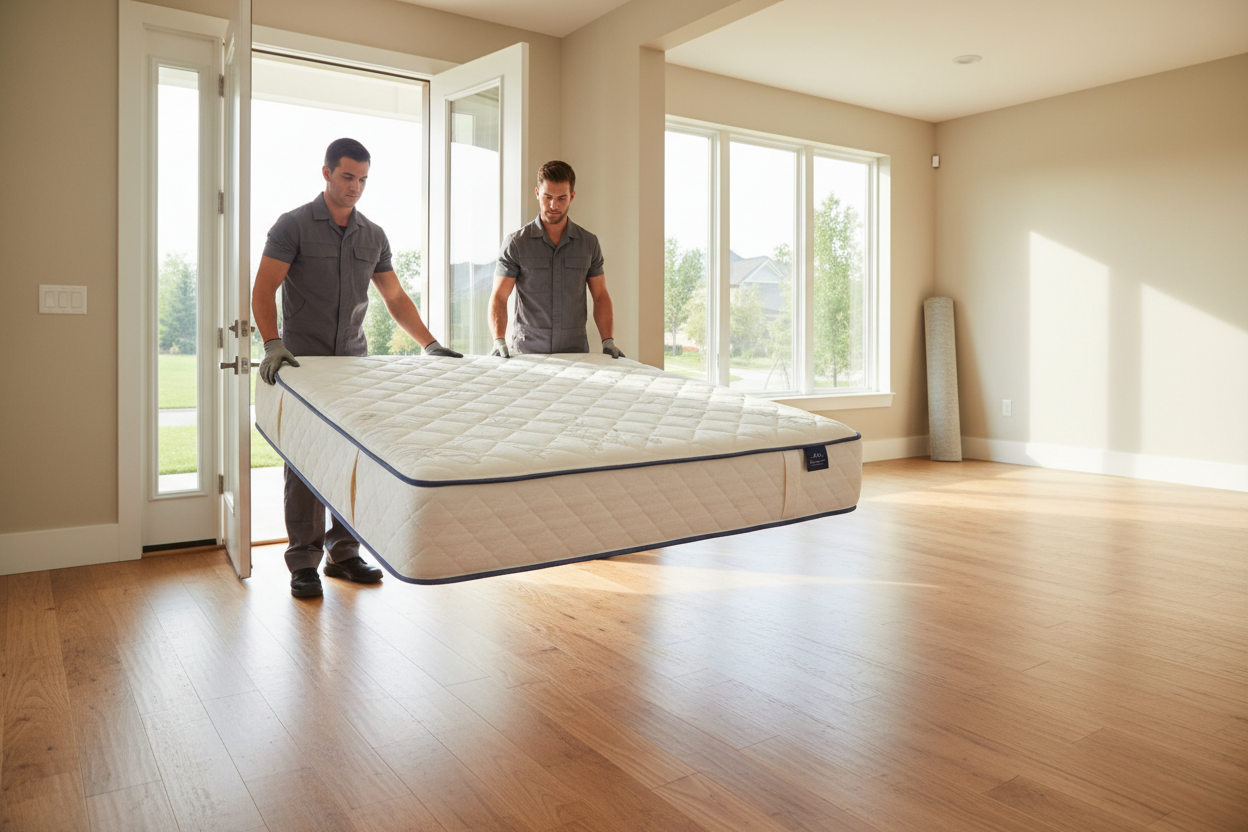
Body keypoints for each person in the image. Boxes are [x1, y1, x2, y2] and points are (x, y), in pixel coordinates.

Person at [253, 137, 461, 598]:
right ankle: (302, 563)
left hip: (353, 365)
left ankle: (343, 554)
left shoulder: (373, 235)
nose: (356, 187)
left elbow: (394, 298)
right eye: (348, 177)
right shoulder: (293, 226)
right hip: (303, 365)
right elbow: (264, 287)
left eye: (363, 179)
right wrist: (272, 343)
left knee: (351, 460)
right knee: (304, 464)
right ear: (326, 173)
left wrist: (429, 344)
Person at [489, 160, 624, 358]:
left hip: (575, 352)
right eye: (547, 197)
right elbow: (499, 296)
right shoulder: (516, 243)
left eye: (562, 198)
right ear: (537, 193)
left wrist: (608, 340)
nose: (554, 205)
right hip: (528, 352)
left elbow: (600, 295)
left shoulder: (589, 243)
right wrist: (498, 339)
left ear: (572, 197)